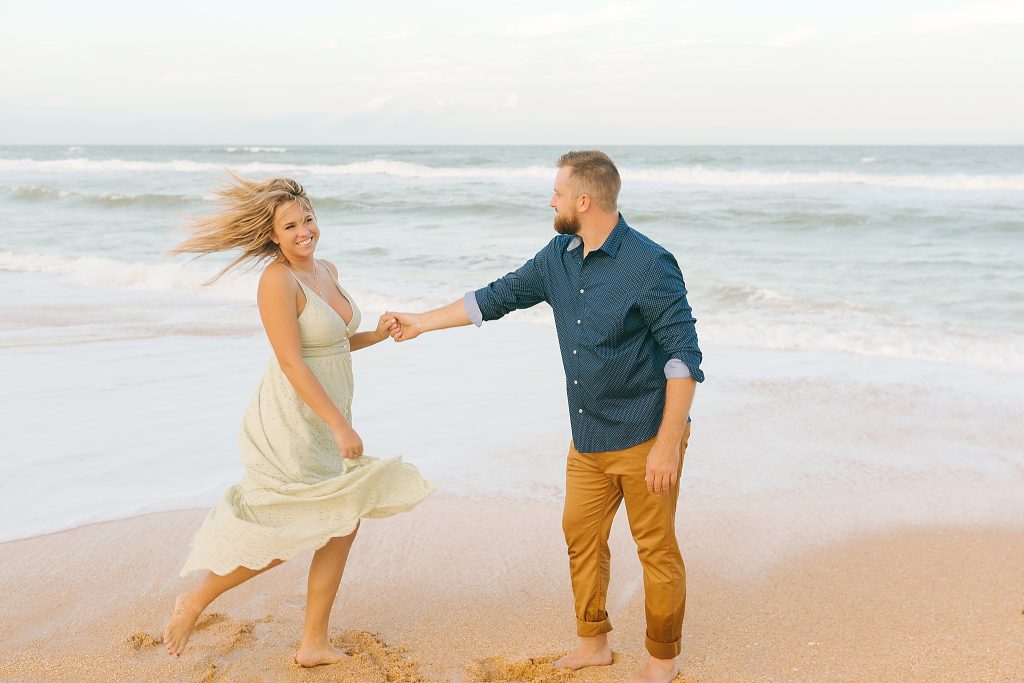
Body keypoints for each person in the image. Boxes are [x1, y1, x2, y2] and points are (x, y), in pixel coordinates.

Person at [387, 150, 703, 683]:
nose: (550, 200)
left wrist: (668, 443)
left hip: (646, 436)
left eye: (557, 192)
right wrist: (421, 322)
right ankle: (593, 643)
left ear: (584, 200)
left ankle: (662, 659)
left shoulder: (650, 264)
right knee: (579, 535)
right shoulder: (557, 256)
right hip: (588, 437)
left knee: (655, 548)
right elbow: (496, 296)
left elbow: (683, 359)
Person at [162, 174, 434, 666]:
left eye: (307, 218)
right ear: (273, 236)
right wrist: (338, 425)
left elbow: (331, 344)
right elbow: (292, 361)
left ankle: (312, 643)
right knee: (293, 527)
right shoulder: (276, 280)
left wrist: (376, 334)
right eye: (290, 225)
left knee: (342, 519)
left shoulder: (326, 269)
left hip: (327, 416)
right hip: (292, 419)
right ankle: (195, 601)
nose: (304, 230)